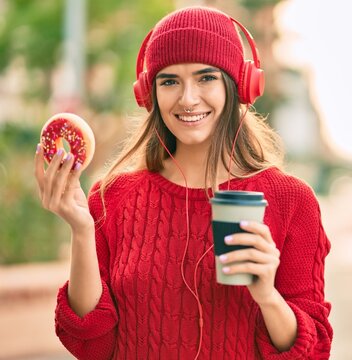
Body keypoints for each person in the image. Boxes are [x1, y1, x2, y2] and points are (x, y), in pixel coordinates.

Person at [34, 6, 332, 359]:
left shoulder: (290, 200)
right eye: (169, 81)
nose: (187, 98)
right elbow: (93, 347)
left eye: (206, 78)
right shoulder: (111, 198)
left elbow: (313, 352)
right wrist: (82, 230)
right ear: (149, 93)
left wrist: (267, 295)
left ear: (239, 85)